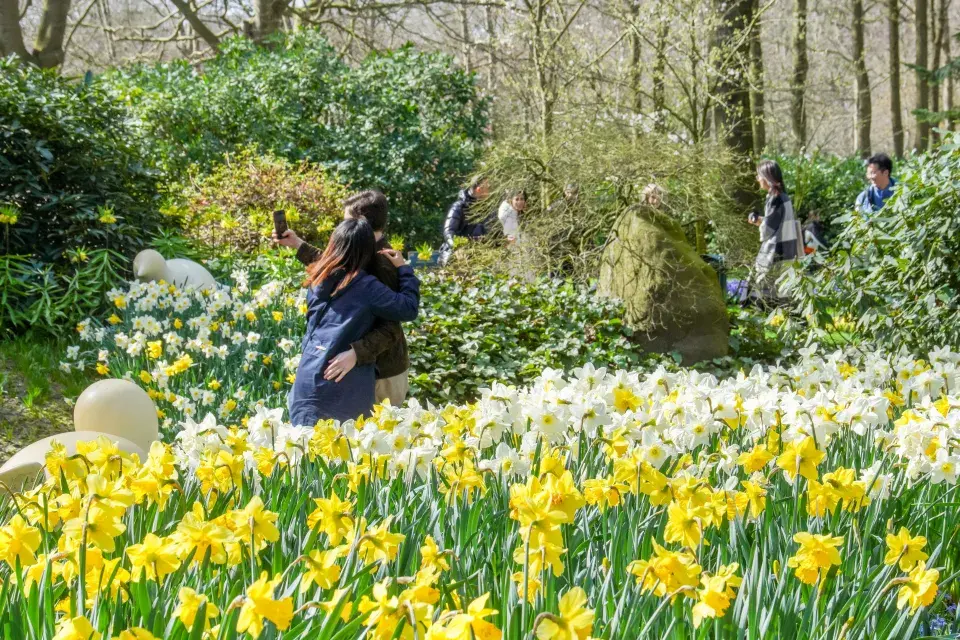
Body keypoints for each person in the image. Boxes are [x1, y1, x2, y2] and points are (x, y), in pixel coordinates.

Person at [274, 190, 412, 408]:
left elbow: (392, 326)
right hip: (359, 368)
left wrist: (357, 353)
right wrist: (298, 245)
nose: (342, 226)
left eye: (346, 220)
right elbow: (338, 265)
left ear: (361, 223)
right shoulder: (363, 250)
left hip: (380, 373)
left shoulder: (382, 264)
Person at [287, 218, 420, 427]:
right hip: (343, 385)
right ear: (367, 250)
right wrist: (403, 269)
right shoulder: (366, 286)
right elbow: (408, 308)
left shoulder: (318, 278)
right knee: (345, 453)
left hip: (307, 377)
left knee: (305, 454)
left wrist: (298, 244)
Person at [748, 160, 803, 304]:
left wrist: (757, 221)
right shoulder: (784, 196)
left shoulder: (775, 198)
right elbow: (775, 221)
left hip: (776, 250)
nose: (757, 179)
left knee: (765, 290)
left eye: (759, 175)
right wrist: (762, 219)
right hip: (788, 247)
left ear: (767, 177)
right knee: (784, 289)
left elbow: (768, 230)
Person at [439, 176, 491, 266]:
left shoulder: (487, 209)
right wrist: (457, 247)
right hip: (458, 259)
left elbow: (492, 234)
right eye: (487, 186)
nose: (490, 187)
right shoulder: (459, 207)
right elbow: (448, 231)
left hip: (480, 258)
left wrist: (503, 240)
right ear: (479, 189)